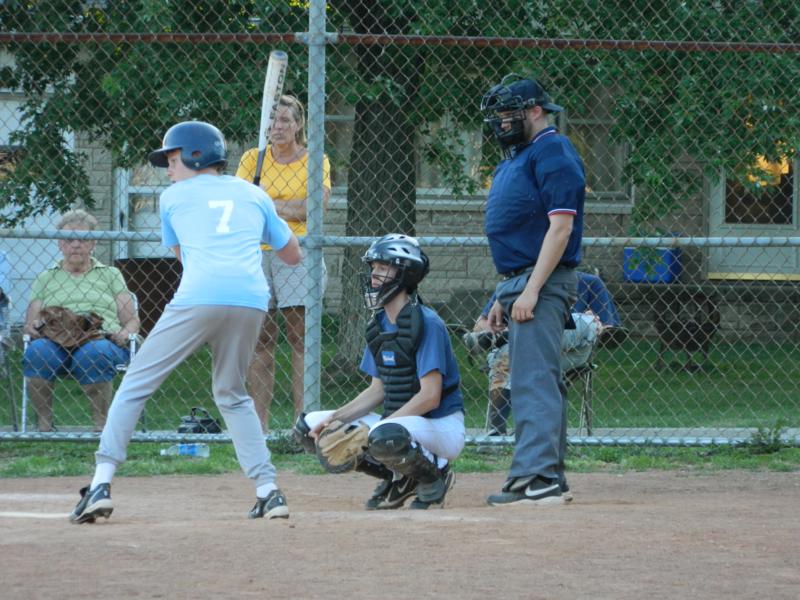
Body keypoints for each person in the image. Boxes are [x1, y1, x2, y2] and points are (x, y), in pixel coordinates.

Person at [69, 121, 301, 524]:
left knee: (136, 383)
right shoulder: (253, 193)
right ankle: (269, 491)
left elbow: (183, 256)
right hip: (251, 299)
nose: (168, 169)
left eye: (172, 159)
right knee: (231, 392)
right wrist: (260, 216)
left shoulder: (172, 197)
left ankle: (101, 484)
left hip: (199, 296)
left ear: (196, 156)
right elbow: (293, 255)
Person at [293, 234, 465, 510]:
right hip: (404, 425)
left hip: (441, 426)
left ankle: (436, 473)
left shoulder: (427, 323)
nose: (374, 275)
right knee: (308, 427)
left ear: (406, 274)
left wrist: (377, 431)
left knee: (382, 434)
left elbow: (430, 397)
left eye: (384, 268)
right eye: (373, 267)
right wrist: (335, 420)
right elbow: (378, 389)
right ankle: (400, 478)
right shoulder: (379, 325)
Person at [480, 74, 585, 505]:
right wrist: (502, 296)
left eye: (509, 113)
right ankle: (545, 475)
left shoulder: (553, 151)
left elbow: (560, 231)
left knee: (533, 379)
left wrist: (531, 291)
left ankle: (539, 478)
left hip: (540, 281)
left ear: (535, 111)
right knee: (535, 377)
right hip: (520, 281)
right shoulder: (521, 155)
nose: (501, 122)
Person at [235, 95, 331, 430]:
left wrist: (266, 204)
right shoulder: (253, 159)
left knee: (300, 335)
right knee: (260, 337)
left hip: (297, 249)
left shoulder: (315, 159)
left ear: (299, 125)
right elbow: (243, 205)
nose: (277, 127)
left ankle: (302, 424)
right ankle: (258, 427)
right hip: (256, 251)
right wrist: (285, 205)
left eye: (285, 120)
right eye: (273, 120)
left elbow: (312, 209)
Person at [22, 209, 140, 432]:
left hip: (99, 336)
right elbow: (30, 323)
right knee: (37, 352)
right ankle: (44, 426)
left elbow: (132, 320)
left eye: (83, 239)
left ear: (93, 243)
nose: (76, 244)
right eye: (69, 239)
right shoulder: (46, 277)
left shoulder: (111, 274)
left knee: (93, 354)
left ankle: (101, 426)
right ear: (59, 244)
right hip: (55, 338)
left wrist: (124, 335)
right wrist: (33, 327)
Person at [467, 292, 606, 436]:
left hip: (569, 350)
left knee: (585, 322)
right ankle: (502, 433)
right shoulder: (513, 283)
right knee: (507, 354)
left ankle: (509, 336)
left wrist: (596, 322)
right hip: (521, 355)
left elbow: (609, 329)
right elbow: (479, 326)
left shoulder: (587, 282)